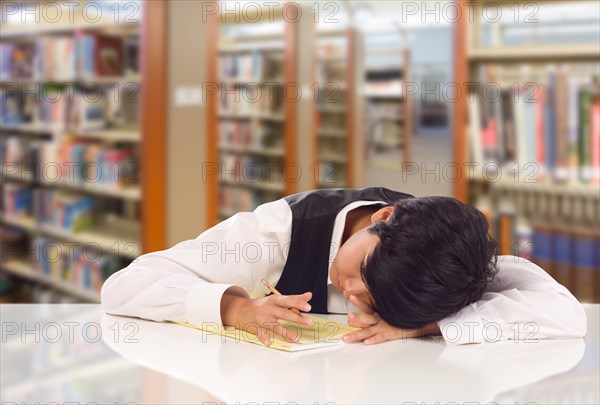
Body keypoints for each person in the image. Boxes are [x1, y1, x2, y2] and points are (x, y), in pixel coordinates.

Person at [101, 187, 587, 346]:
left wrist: (422, 324)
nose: (350, 293)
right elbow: (125, 286)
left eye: (372, 301)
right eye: (357, 274)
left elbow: (567, 315)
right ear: (384, 217)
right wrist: (236, 309)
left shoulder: (453, 256)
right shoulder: (276, 232)